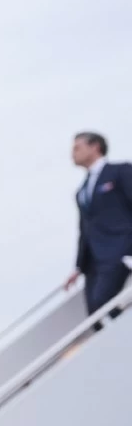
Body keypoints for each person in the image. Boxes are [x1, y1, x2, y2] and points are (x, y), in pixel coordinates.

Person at [65, 131, 132, 318]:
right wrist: (78, 267)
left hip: (120, 252)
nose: (73, 153)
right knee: (95, 315)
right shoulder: (82, 191)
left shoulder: (120, 172)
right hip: (93, 262)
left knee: (103, 305)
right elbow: (84, 230)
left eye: (77, 147)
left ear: (95, 147)